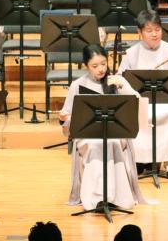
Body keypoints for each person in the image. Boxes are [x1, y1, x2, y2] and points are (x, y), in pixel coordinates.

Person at [59, 43, 146, 211]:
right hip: (88, 135)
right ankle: (98, 198)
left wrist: (123, 86)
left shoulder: (116, 81)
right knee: (96, 145)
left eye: (103, 64)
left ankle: (116, 197)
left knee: (111, 143)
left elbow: (138, 105)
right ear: (86, 65)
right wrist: (64, 119)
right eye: (95, 66)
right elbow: (68, 120)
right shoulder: (77, 85)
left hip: (115, 132)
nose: (100, 69)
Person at [116, 9, 168, 181]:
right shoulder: (131, 53)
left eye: (157, 29)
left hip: (167, 101)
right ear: (139, 32)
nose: (154, 34)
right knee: (136, 114)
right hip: (141, 103)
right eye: (149, 30)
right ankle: (139, 160)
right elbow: (120, 80)